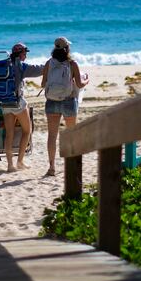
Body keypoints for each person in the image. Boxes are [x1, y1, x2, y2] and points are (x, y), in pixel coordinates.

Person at [40, 37, 89, 176]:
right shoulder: (72, 63)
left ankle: (51, 167)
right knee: (72, 134)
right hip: (68, 101)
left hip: (51, 102)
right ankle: (72, 165)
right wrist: (87, 80)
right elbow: (79, 84)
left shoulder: (49, 63)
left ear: (55, 48)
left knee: (52, 136)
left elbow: (43, 84)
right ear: (67, 48)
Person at [3, 42, 43, 172]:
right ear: (20, 54)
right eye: (25, 53)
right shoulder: (20, 66)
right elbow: (38, 69)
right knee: (27, 130)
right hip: (17, 103)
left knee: (9, 134)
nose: (25, 56)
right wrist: (50, 64)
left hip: (5, 103)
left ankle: (10, 165)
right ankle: (20, 161)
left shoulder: (4, 65)